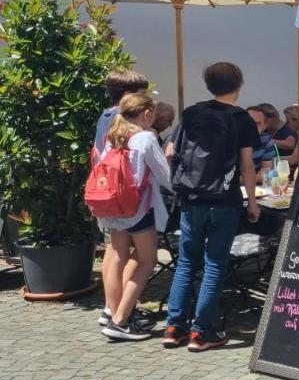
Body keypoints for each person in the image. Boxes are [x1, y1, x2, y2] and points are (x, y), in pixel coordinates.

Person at [163, 62, 260, 352]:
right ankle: (201, 333)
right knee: (215, 264)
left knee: (186, 262)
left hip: (191, 199)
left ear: (208, 85)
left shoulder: (192, 113)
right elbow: (246, 165)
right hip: (224, 201)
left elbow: (170, 152)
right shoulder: (241, 118)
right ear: (239, 85)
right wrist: (252, 202)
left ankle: (173, 327)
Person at [96, 92, 173, 341]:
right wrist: (169, 158)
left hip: (112, 207)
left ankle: (113, 311)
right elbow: (166, 178)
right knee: (147, 261)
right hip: (138, 208)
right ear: (147, 114)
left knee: (118, 255)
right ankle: (120, 321)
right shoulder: (146, 138)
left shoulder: (113, 135)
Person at [94, 70, 150, 328]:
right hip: (128, 197)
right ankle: (120, 312)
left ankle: (110, 307)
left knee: (115, 253)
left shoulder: (104, 116)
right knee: (136, 254)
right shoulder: (124, 119)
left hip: (106, 194)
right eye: (141, 93)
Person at [245, 105, 273, 170]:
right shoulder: (232, 139)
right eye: (249, 122)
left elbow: (267, 170)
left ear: (265, 126)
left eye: (257, 123)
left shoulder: (266, 139)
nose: (252, 126)